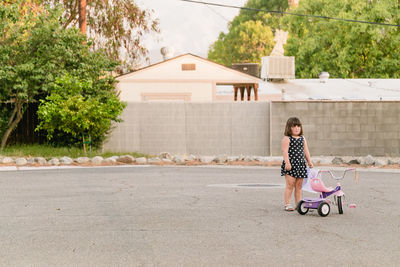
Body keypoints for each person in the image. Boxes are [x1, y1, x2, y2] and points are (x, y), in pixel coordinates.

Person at [281, 117, 313, 211]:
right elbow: (285, 151)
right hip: (291, 165)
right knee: (290, 185)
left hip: (301, 165)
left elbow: (306, 150)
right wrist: (287, 162)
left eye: (298, 126)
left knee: (299, 186)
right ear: (289, 128)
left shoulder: (302, 138)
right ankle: (287, 204)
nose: (296, 128)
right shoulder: (287, 139)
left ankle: (298, 204)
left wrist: (309, 161)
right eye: (294, 126)